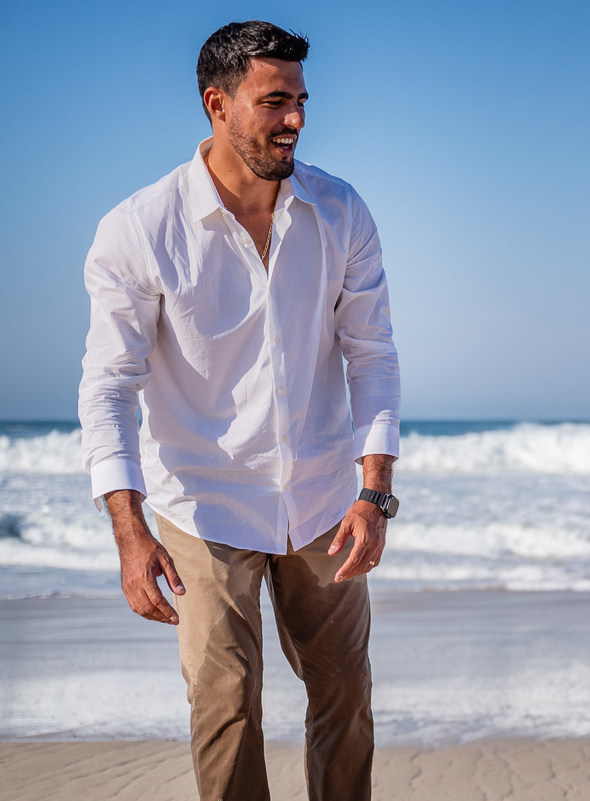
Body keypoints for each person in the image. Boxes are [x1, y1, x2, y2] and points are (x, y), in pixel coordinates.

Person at [77, 21, 401, 801]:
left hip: (324, 496)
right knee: (224, 705)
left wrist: (373, 491)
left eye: (300, 102)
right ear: (217, 104)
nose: (294, 119)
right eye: (274, 101)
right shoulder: (139, 229)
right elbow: (108, 384)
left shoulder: (341, 211)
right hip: (202, 498)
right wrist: (130, 531)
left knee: (346, 696)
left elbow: (373, 353)